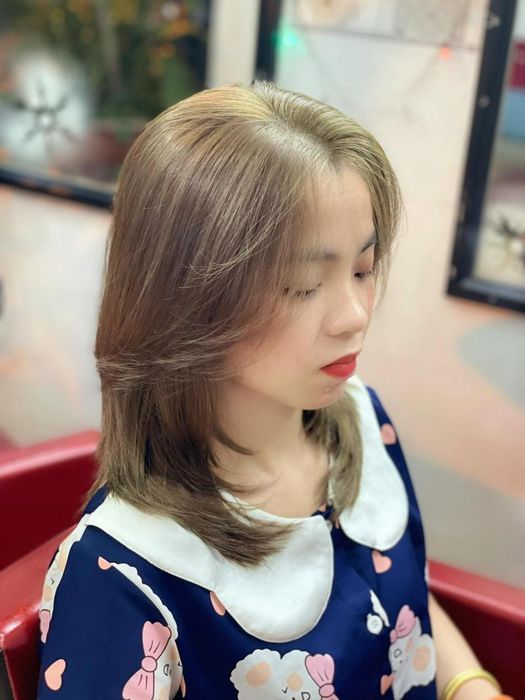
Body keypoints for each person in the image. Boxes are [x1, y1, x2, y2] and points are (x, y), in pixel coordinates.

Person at [36, 81, 510, 700]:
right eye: (303, 285)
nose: (354, 316)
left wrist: (472, 686)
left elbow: (402, 600)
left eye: (363, 269)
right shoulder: (123, 573)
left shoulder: (362, 418)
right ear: (185, 298)